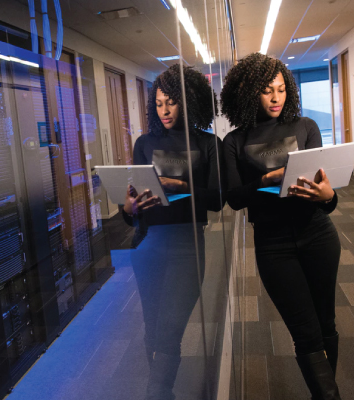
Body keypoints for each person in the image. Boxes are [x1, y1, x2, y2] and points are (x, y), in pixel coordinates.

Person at [221, 53, 341, 400]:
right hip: (274, 246)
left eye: (280, 89)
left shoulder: (305, 127)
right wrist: (268, 179)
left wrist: (328, 194)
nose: (276, 98)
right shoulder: (235, 141)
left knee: (326, 323)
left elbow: (326, 199)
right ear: (247, 93)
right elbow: (234, 198)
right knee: (305, 333)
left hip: (318, 234)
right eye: (266, 91)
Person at [122, 64, 222, 400]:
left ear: (189, 101)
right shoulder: (144, 143)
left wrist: (183, 185)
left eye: (172, 102)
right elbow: (132, 211)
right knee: (153, 330)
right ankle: (161, 392)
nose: (164, 110)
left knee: (169, 328)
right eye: (160, 103)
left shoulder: (208, 144)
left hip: (187, 244)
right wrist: (128, 209)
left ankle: (156, 392)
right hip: (148, 243)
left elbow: (220, 200)